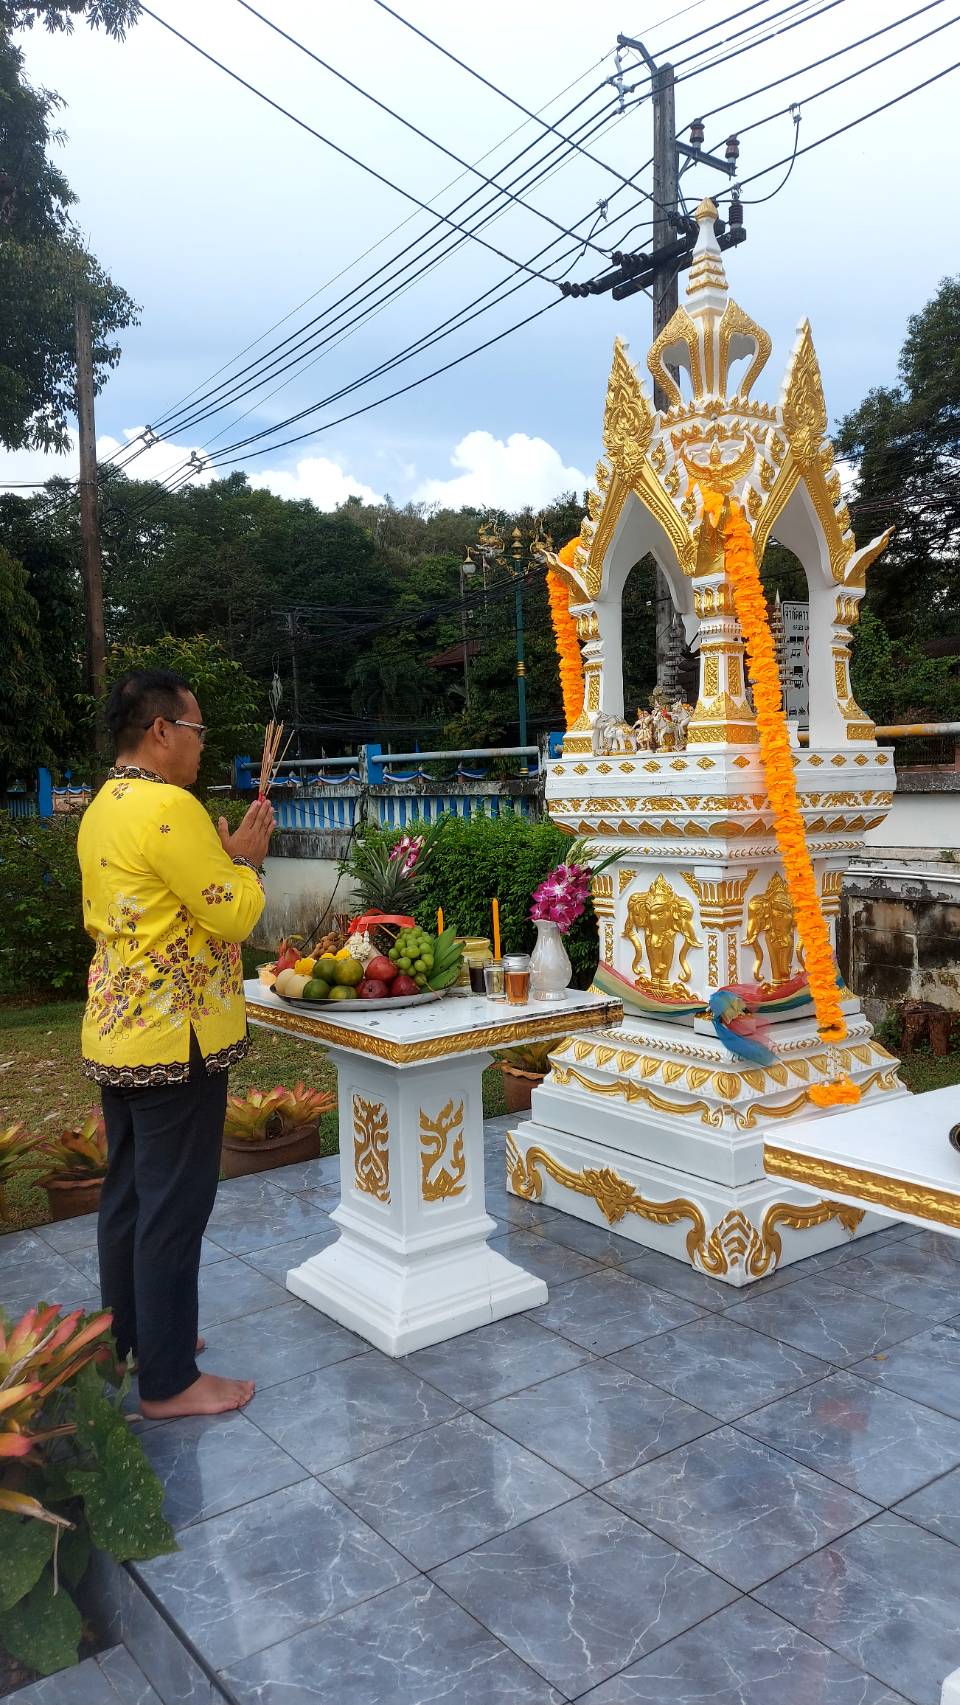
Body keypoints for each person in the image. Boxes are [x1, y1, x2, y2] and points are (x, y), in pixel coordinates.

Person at [77, 669, 274, 1418]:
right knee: (174, 1206)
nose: (200, 745)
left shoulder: (103, 806)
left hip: (119, 1031)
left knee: (129, 1196)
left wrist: (223, 865)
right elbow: (234, 916)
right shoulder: (170, 807)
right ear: (160, 731)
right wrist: (245, 859)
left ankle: (133, 1340)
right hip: (175, 1036)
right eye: (195, 731)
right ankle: (167, 1381)